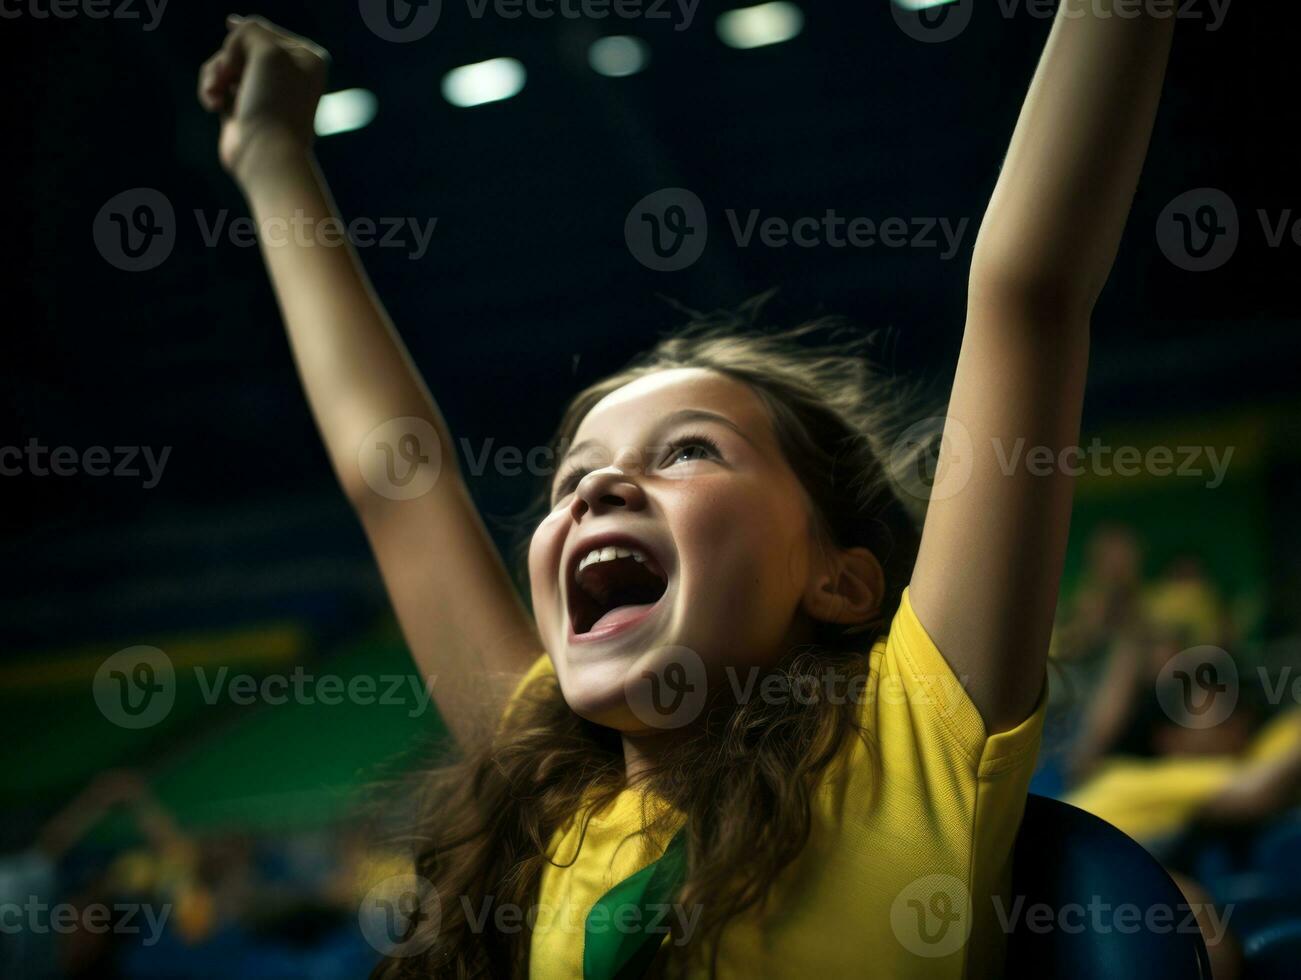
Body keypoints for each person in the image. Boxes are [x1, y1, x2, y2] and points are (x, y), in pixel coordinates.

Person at [196, 5, 1176, 977]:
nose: (600, 486)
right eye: (572, 475)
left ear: (839, 580)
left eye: (689, 452)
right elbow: (394, 480)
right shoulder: (556, 809)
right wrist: (270, 147)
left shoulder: (918, 720)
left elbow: (1027, 287)